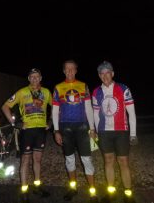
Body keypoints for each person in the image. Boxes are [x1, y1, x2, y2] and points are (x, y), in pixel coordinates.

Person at [2, 68, 52, 203]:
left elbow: (56, 106)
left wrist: (51, 121)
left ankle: (37, 186)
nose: (35, 79)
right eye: (32, 77)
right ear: (29, 79)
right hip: (27, 131)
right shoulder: (22, 92)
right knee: (25, 161)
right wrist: (15, 123)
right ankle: (24, 191)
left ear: (41, 78)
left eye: (37, 77)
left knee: (37, 160)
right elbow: (5, 106)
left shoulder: (46, 92)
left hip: (41, 130)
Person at [52, 60, 99, 203]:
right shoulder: (58, 87)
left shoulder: (83, 86)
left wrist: (92, 128)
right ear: (64, 71)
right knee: (69, 159)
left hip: (82, 128)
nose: (70, 71)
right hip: (65, 128)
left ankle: (92, 192)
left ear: (76, 70)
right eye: (67, 69)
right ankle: (73, 188)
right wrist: (56, 131)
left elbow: (88, 108)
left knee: (87, 160)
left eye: (72, 69)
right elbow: (55, 111)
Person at [92, 61, 138, 203]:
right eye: (102, 73)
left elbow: (131, 113)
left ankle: (128, 193)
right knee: (108, 161)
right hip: (104, 132)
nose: (105, 76)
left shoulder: (123, 89)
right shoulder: (96, 92)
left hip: (121, 131)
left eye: (108, 72)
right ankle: (111, 192)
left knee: (123, 161)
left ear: (112, 74)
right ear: (99, 76)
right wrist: (95, 131)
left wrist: (133, 134)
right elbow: (95, 114)